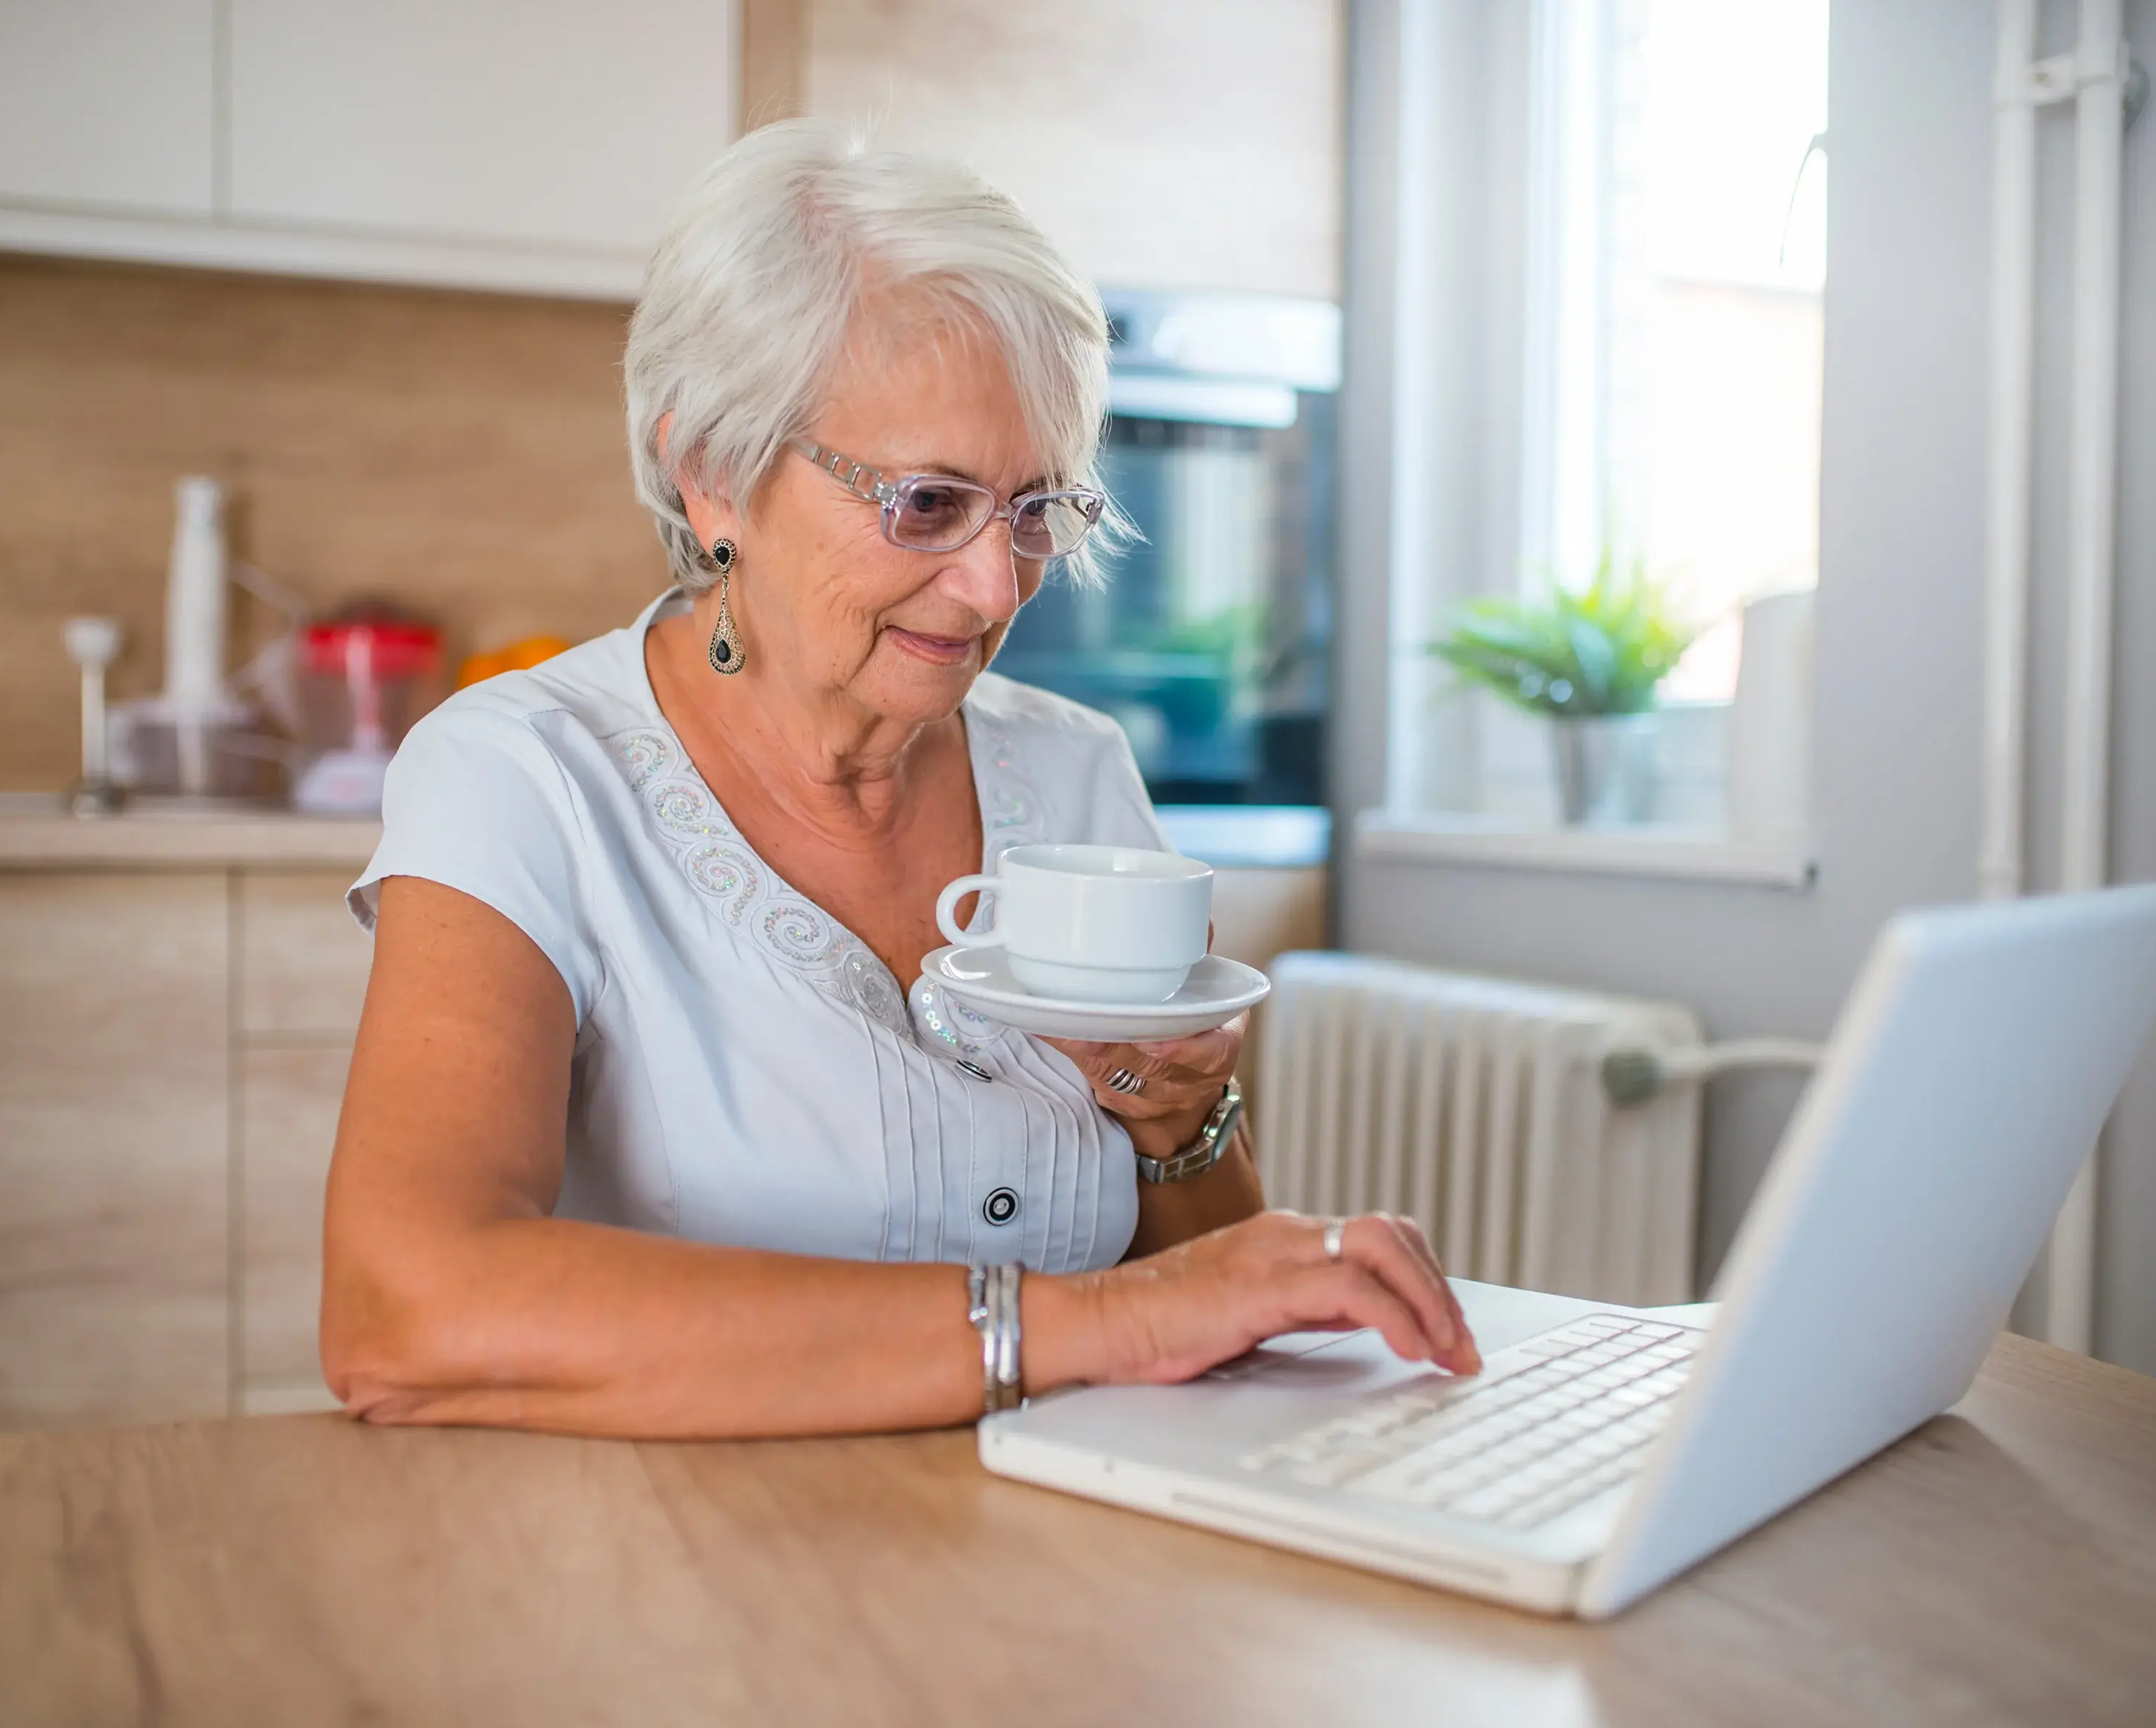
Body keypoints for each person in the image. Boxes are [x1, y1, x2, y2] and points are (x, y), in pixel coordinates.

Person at [321, 120, 1479, 1439]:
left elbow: (1195, 1287)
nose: (996, 588)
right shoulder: (518, 776)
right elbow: (402, 1311)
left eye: (1036, 511)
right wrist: (1091, 1326)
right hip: (683, 1571)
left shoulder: (1075, 768)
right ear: (712, 473)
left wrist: (1183, 1119)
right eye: (926, 503)